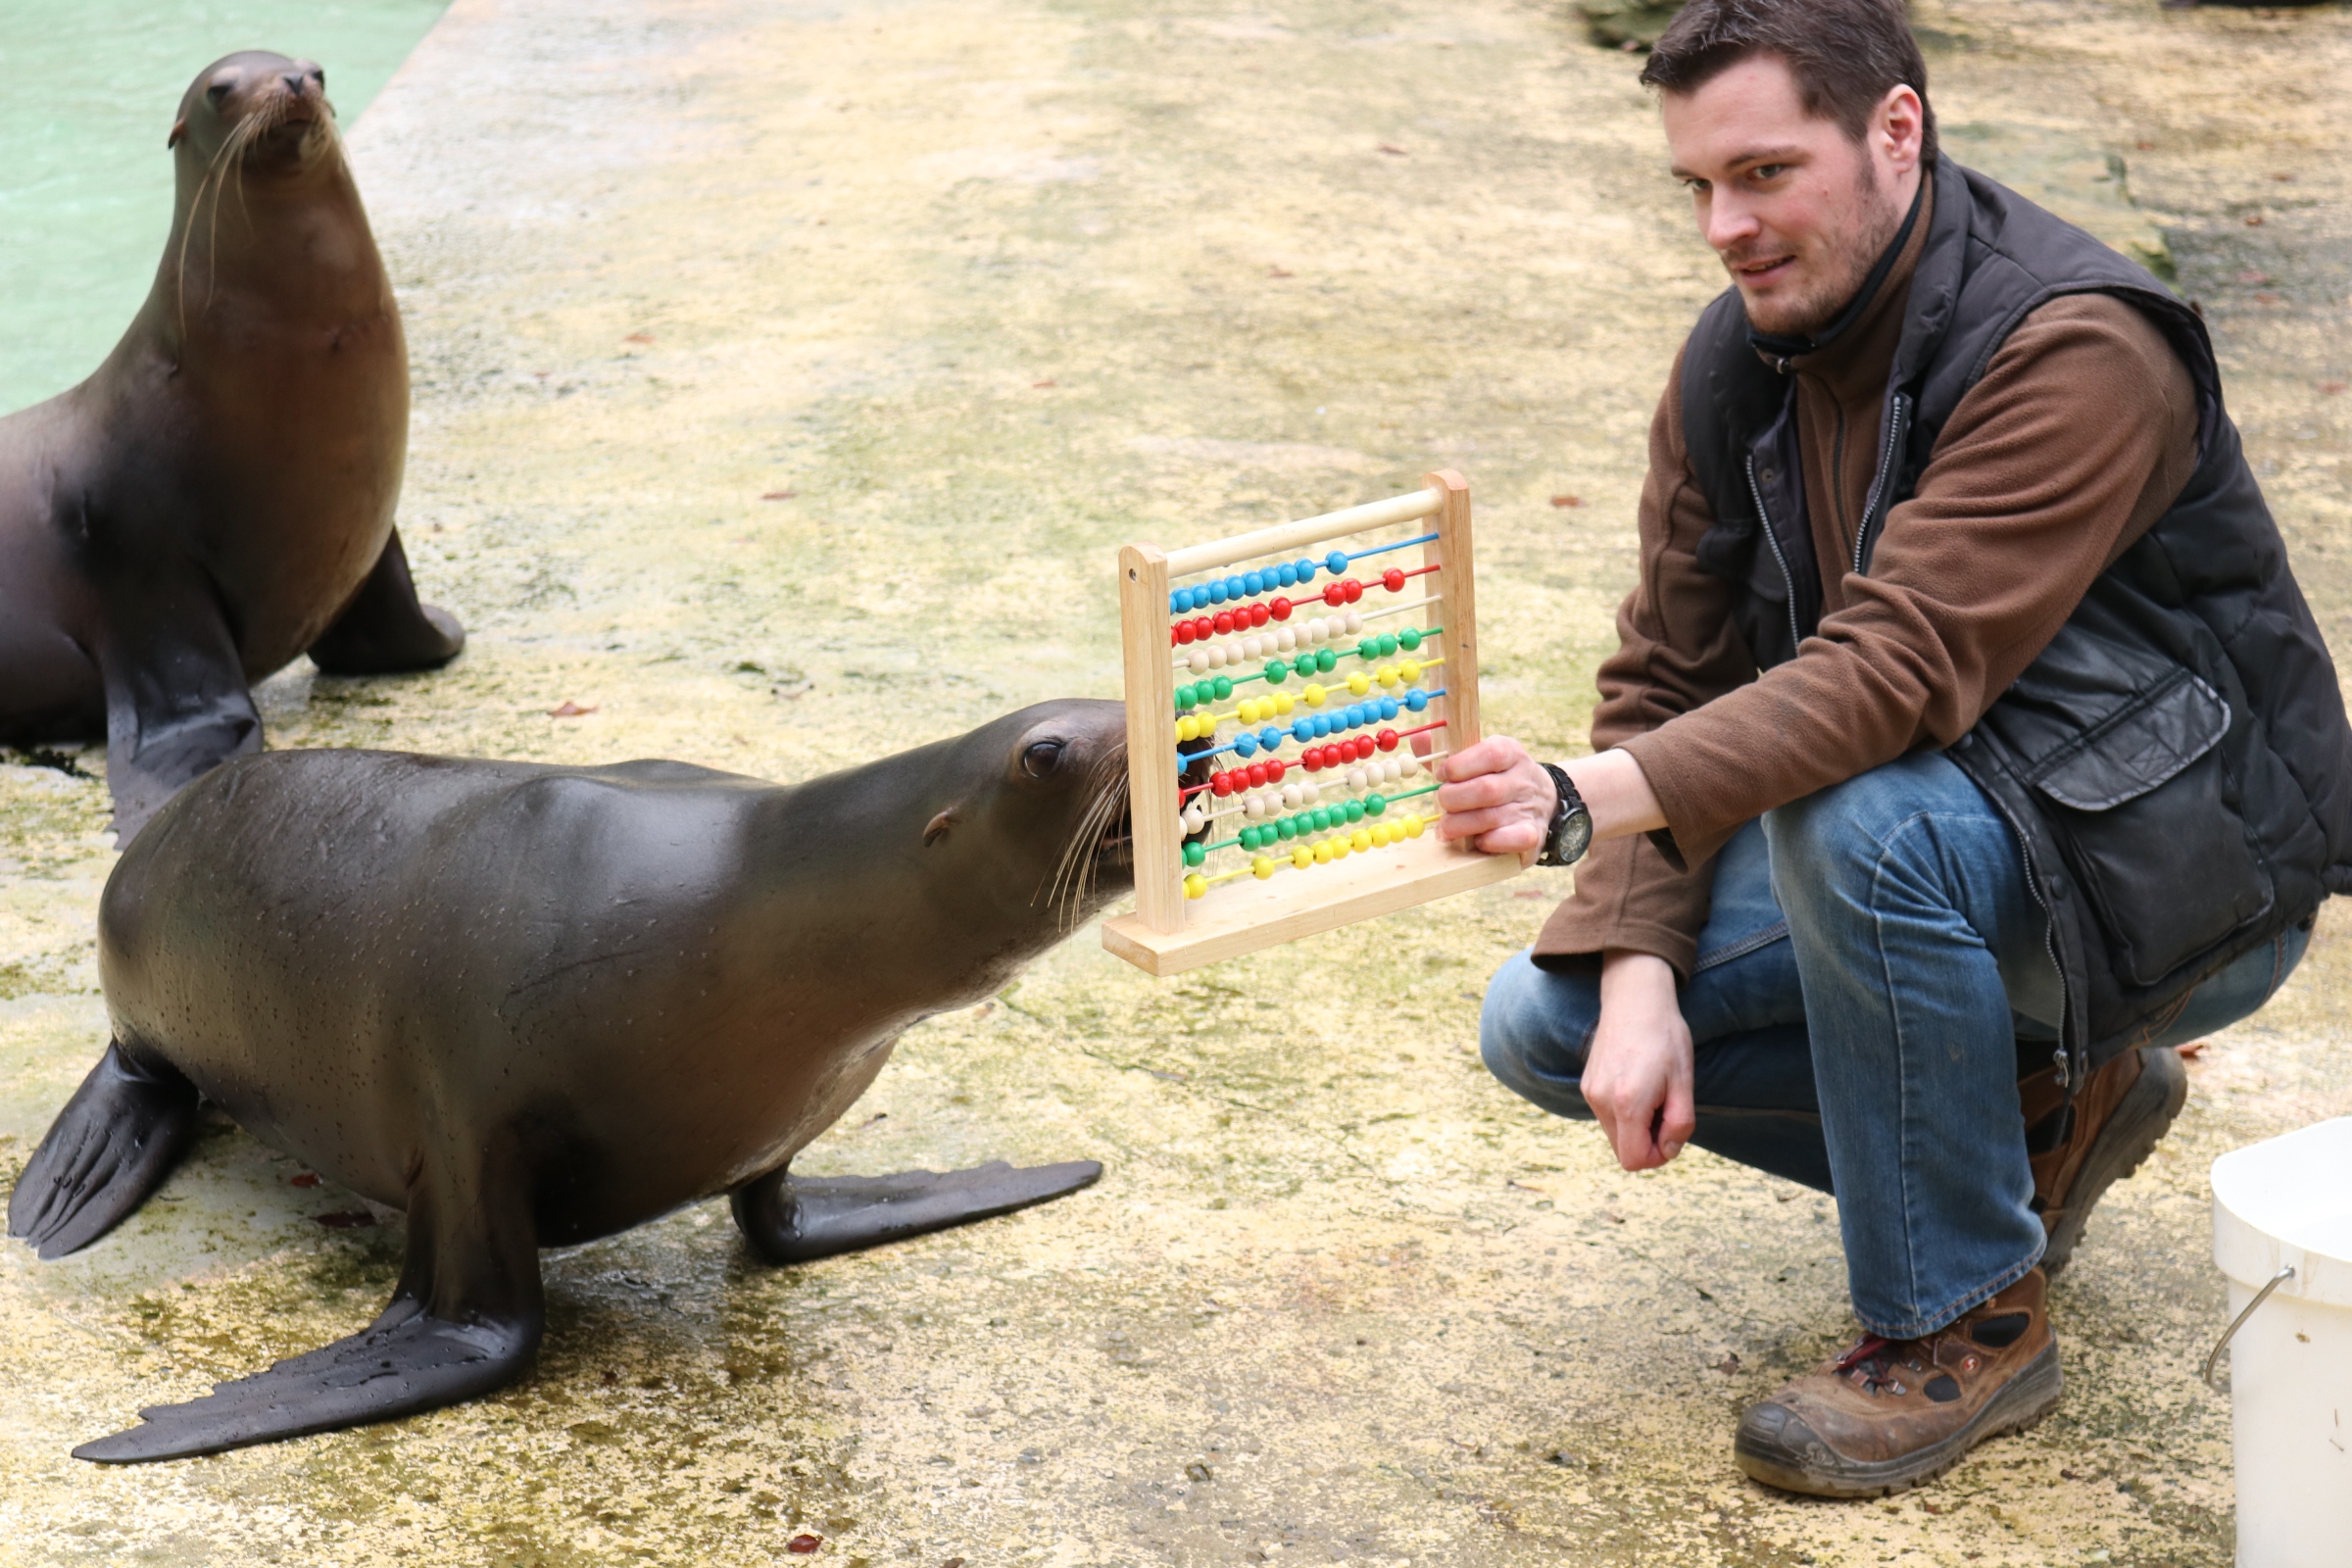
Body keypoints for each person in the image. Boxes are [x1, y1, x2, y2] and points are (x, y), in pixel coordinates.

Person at [1435, 0, 2352, 1499]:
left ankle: (1962, 1317)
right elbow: (1669, 667)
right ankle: (2060, 1105)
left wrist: (1572, 806)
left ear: (1897, 131)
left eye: (1766, 173)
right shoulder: (1742, 358)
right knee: (1552, 1025)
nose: (1726, 227)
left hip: (2185, 871)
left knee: (1853, 821)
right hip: (1962, 844)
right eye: (1700, 188)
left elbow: (1896, 666)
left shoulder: (2080, 346)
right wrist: (1641, 965)